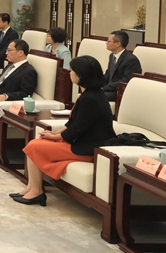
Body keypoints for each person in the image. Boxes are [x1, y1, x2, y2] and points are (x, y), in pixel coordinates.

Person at [13, 56, 116, 206]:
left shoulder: (91, 99)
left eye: (72, 70)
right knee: (36, 143)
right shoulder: (89, 94)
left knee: (33, 146)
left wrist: (56, 137)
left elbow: (77, 129)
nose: (70, 72)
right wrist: (55, 134)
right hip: (81, 141)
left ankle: (37, 191)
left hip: (88, 147)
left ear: (81, 75)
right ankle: (32, 187)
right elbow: (72, 123)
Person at [102, 30, 142, 102]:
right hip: (109, 89)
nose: (106, 43)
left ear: (118, 44)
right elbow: (108, 74)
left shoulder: (131, 60)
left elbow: (126, 81)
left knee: (93, 96)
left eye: (109, 41)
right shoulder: (112, 56)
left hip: (119, 92)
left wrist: (105, 88)